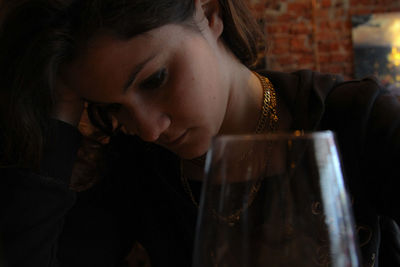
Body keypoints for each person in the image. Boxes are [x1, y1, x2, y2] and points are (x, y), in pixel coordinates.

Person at [0, 0, 399, 266]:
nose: (150, 130)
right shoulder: (137, 171)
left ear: (208, 12)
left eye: (155, 79)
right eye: (111, 107)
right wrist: (58, 106)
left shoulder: (360, 121)